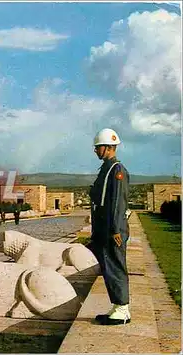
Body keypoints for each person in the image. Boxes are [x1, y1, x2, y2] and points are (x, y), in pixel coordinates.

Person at [88, 128, 131, 326]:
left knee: (115, 265)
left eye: (98, 148)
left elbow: (117, 203)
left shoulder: (117, 170)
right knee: (108, 266)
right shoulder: (106, 168)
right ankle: (117, 306)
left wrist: (115, 229)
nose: (96, 151)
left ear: (108, 148)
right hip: (104, 229)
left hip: (113, 230)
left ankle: (122, 308)